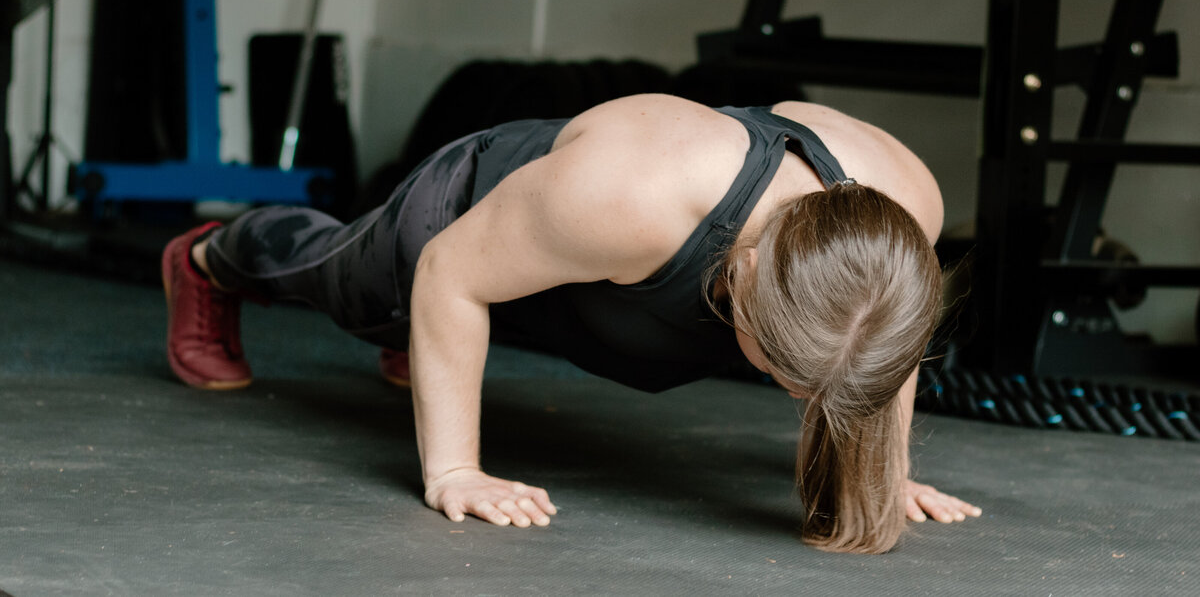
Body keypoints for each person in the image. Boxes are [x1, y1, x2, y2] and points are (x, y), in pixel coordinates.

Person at [161, 93, 981, 554]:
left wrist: (888, 467)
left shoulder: (898, 217)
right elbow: (452, 270)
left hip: (591, 280)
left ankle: (439, 350)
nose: (787, 392)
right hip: (473, 215)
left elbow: (879, 333)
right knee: (357, 292)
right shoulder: (632, 195)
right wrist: (453, 471)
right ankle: (208, 260)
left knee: (456, 325)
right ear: (747, 275)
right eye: (780, 371)